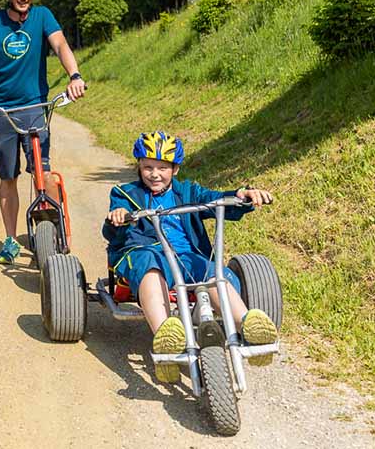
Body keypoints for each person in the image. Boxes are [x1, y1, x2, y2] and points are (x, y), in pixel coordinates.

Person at [104, 131, 279, 382]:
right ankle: (165, 335)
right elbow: (112, 227)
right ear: (139, 167)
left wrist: (243, 195)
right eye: (148, 167)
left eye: (162, 168)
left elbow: (216, 198)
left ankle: (247, 325)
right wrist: (118, 216)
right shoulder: (125, 193)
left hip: (186, 256)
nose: (154, 174)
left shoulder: (188, 191)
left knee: (210, 271)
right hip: (146, 251)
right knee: (150, 267)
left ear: (175, 169)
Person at [0, 0, 87, 264]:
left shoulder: (42, 15)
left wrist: (74, 75)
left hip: (35, 105)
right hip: (2, 109)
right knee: (8, 176)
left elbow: (60, 44)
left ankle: (55, 230)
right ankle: (10, 239)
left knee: (42, 171)